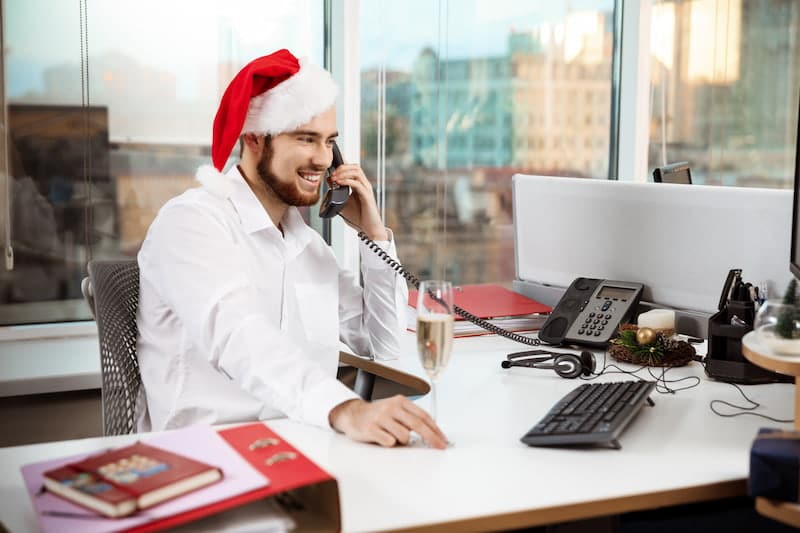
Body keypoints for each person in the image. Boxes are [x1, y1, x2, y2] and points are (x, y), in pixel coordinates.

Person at [136, 49, 447, 449]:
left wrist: (374, 235)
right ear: (253, 138)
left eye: (329, 143)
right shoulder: (191, 223)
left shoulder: (308, 247)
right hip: (207, 456)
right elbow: (238, 335)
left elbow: (385, 349)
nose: (321, 159)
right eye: (305, 139)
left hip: (300, 448)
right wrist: (345, 409)